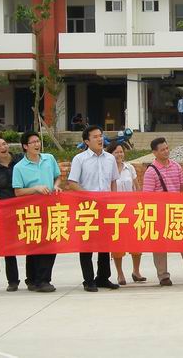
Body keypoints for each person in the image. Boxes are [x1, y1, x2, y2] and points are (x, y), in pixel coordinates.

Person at [143, 137, 183, 286]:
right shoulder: (151, 172)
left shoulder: (176, 166)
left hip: (177, 211)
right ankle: (163, 276)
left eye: (167, 148)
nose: (166, 151)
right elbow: (147, 196)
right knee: (159, 245)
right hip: (160, 213)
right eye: (162, 150)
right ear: (154, 153)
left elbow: (182, 188)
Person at [69, 125, 120, 292]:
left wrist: (113, 201)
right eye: (95, 137)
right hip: (87, 207)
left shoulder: (110, 158)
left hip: (105, 206)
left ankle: (103, 277)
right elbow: (72, 183)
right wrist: (89, 197)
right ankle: (88, 280)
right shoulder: (80, 159)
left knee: (105, 244)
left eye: (101, 135)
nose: (100, 139)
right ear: (87, 141)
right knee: (87, 245)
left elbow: (113, 181)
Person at [12, 131, 62, 292]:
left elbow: (58, 177)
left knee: (50, 244)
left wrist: (56, 186)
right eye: (32, 142)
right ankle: (33, 279)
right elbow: (18, 191)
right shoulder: (19, 167)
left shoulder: (49, 159)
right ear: (25, 146)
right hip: (31, 210)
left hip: (50, 208)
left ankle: (43, 280)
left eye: (37, 141)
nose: (36, 144)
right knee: (34, 245)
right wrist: (35, 189)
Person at [0, 135, 24, 291]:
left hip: (26, 206)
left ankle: (33, 278)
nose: (3, 147)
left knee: (32, 241)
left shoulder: (21, 159)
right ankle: (13, 281)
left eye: (4, 144)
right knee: (10, 245)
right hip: (7, 210)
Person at [107, 142, 146, 286]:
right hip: (116, 211)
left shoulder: (129, 168)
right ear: (110, 154)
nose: (119, 155)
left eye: (121, 152)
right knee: (118, 243)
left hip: (132, 209)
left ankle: (136, 271)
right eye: (116, 152)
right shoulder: (107, 170)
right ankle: (120, 274)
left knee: (136, 242)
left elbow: (137, 187)